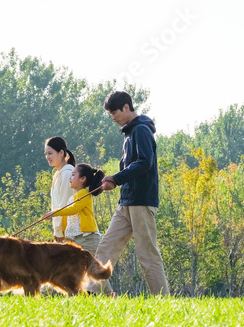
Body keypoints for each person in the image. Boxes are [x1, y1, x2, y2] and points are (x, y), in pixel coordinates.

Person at [94, 91, 170, 295]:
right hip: (126, 201)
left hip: (142, 201)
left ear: (126, 107)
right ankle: (92, 292)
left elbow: (145, 163)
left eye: (114, 113)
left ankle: (163, 299)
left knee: (147, 254)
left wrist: (117, 178)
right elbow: (129, 167)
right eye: (110, 114)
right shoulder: (128, 133)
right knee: (106, 246)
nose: (113, 118)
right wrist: (114, 182)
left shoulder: (142, 131)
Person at [42, 163, 114, 295]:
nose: (70, 177)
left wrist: (54, 212)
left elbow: (73, 210)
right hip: (74, 238)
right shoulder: (73, 196)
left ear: (83, 179)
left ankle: (109, 294)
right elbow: (68, 218)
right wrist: (61, 233)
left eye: (73, 174)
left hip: (88, 238)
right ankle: (44, 292)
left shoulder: (84, 194)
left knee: (94, 267)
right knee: (59, 265)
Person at [43, 137, 76, 242]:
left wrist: (59, 230)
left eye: (50, 153)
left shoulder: (67, 174)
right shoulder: (58, 174)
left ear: (61, 153)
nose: (47, 157)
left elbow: (64, 205)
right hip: (63, 232)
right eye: (46, 154)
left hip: (69, 232)